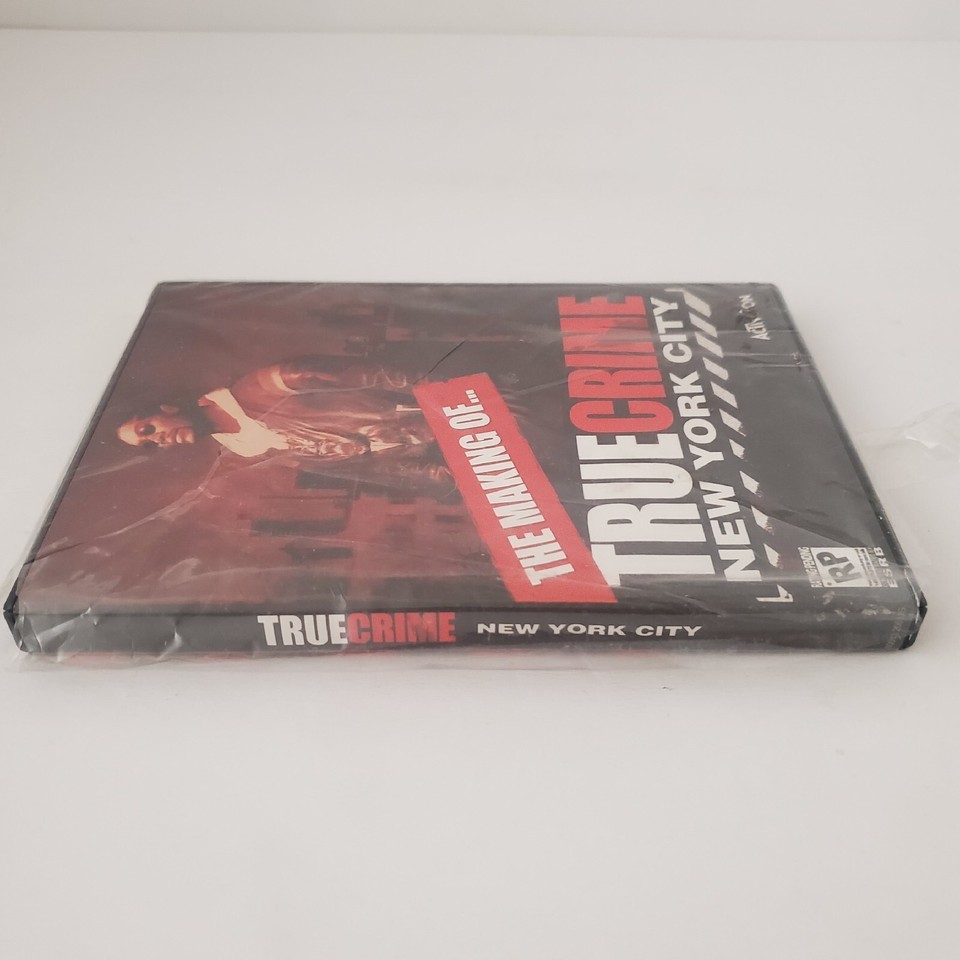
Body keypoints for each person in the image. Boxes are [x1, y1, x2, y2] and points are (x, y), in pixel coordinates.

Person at [116, 356, 454, 496]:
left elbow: (376, 375)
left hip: (444, 411)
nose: (160, 439)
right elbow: (369, 468)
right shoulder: (246, 450)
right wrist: (437, 474)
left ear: (166, 408)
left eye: (148, 429)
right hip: (448, 455)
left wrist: (450, 394)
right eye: (150, 446)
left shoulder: (254, 389)